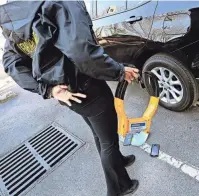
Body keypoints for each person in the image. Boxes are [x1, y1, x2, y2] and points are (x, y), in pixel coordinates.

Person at [0, 1, 139, 196]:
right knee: (108, 141)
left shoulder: (18, 14)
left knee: (100, 133)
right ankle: (118, 187)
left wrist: (48, 90)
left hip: (66, 92)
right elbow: (82, 52)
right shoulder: (63, 2)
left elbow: (11, 63)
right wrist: (119, 71)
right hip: (87, 86)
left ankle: (118, 161)